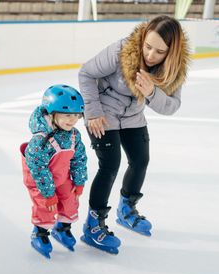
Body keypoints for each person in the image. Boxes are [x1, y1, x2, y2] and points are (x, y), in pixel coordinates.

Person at [78, 15, 189, 254]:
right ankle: (92, 224)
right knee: (110, 165)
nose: (150, 55)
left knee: (140, 160)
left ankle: (126, 209)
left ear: (171, 52)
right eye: (147, 47)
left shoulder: (174, 69)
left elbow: (170, 106)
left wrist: (151, 92)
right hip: (102, 112)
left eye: (159, 52)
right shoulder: (122, 49)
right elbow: (86, 73)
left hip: (132, 116)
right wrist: (93, 112)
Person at [20, 85, 88, 259]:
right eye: (67, 115)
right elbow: (39, 169)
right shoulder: (41, 140)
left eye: (76, 115)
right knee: (47, 207)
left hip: (61, 176)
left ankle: (62, 228)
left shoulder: (74, 135)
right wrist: (49, 193)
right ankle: (40, 232)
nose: (72, 120)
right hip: (40, 181)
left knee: (70, 200)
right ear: (52, 113)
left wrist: (79, 182)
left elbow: (79, 158)